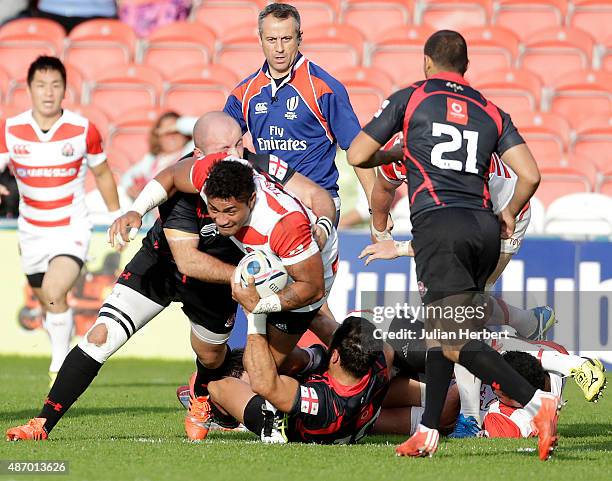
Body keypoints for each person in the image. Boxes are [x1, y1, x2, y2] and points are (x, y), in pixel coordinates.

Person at [5, 111, 335, 442]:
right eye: (226, 146)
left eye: (238, 143)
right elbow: (188, 261)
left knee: (211, 356)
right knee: (101, 335)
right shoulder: (193, 177)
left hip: (214, 286)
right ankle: (41, 423)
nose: (237, 152)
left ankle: (205, 399)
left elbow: (316, 195)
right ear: (200, 154)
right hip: (163, 266)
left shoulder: (253, 164)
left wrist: (320, 228)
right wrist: (138, 209)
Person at [347, 30, 560, 460]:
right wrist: (509, 212)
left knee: (454, 337)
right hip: (484, 226)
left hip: (439, 226)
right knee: (441, 330)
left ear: (427, 62)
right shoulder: (491, 110)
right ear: (466, 65)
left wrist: (399, 154)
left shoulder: (412, 99)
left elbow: (357, 154)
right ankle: (428, 431)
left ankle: (538, 403)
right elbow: (531, 176)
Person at [0, 56, 120, 385]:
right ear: (29, 89)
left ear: (65, 90)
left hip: (71, 229)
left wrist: (115, 216)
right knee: (47, 300)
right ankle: (62, 350)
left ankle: (59, 367)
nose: (48, 92)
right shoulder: (11, 130)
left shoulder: (83, 129)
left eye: (55, 85)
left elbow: (103, 173)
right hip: (31, 232)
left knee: (54, 291)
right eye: (41, 85)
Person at [223, 2, 376, 221]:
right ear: (260, 39)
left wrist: (376, 210)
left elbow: (357, 149)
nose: (279, 48)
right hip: (267, 204)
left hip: (316, 204)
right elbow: (220, 141)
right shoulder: (244, 93)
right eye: (271, 40)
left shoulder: (324, 88)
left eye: (286, 39)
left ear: (299, 38)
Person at [205, 316, 392, 444]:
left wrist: (256, 317)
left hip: (295, 425)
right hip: (355, 414)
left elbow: (263, 383)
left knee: (219, 386)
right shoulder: (378, 363)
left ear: (335, 357)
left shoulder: (324, 402)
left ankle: (232, 423)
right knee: (294, 358)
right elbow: (321, 320)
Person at [120, 111, 193, 200]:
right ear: (158, 137)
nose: (171, 136)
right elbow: (127, 177)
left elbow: (201, 127)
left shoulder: (190, 151)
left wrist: (177, 125)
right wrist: (132, 188)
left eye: (176, 132)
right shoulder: (152, 158)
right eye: (166, 133)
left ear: (185, 135)